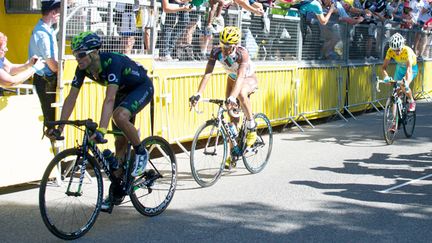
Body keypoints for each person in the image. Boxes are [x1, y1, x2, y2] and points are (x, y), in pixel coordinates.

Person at [51, 31, 154, 212]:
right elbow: (71, 98)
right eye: (75, 54)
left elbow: (109, 99)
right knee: (119, 148)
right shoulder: (82, 68)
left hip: (141, 86)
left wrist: (102, 129)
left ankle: (141, 151)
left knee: (119, 115)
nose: (77, 58)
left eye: (81, 54)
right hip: (124, 92)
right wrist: (60, 127)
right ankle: (116, 192)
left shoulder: (111, 62)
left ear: (94, 52)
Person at [189, 26, 258, 169]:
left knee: (239, 94)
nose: (225, 49)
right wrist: (198, 93)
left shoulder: (241, 54)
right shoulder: (216, 51)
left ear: (235, 45)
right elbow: (208, 73)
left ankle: (252, 125)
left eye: (228, 47)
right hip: (231, 79)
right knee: (231, 121)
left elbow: (240, 77)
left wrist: (233, 97)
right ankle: (233, 154)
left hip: (247, 78)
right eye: (223, 45)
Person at [28, 0, 61, 133]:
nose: (59, 15)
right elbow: (52, 65)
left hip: (46, 80)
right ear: (53, 13)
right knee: (51, 120)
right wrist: (64, 72)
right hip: (46, 80)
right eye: (58, 12)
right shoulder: (42, 33)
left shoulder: (46, 29)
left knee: (52, 117)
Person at [381, 32, 418, 131]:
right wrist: (386, 77)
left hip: (411, 69)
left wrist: (405, 82)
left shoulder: (407, 51)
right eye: (394, 50)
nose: (396, 53)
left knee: (403, 85)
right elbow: (383, 68)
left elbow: (409, 69)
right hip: (400, 68)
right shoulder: (390, 51)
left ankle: (411, 101)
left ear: (402, 46)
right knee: (395, 94)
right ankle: (394, 122)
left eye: (398, 50)